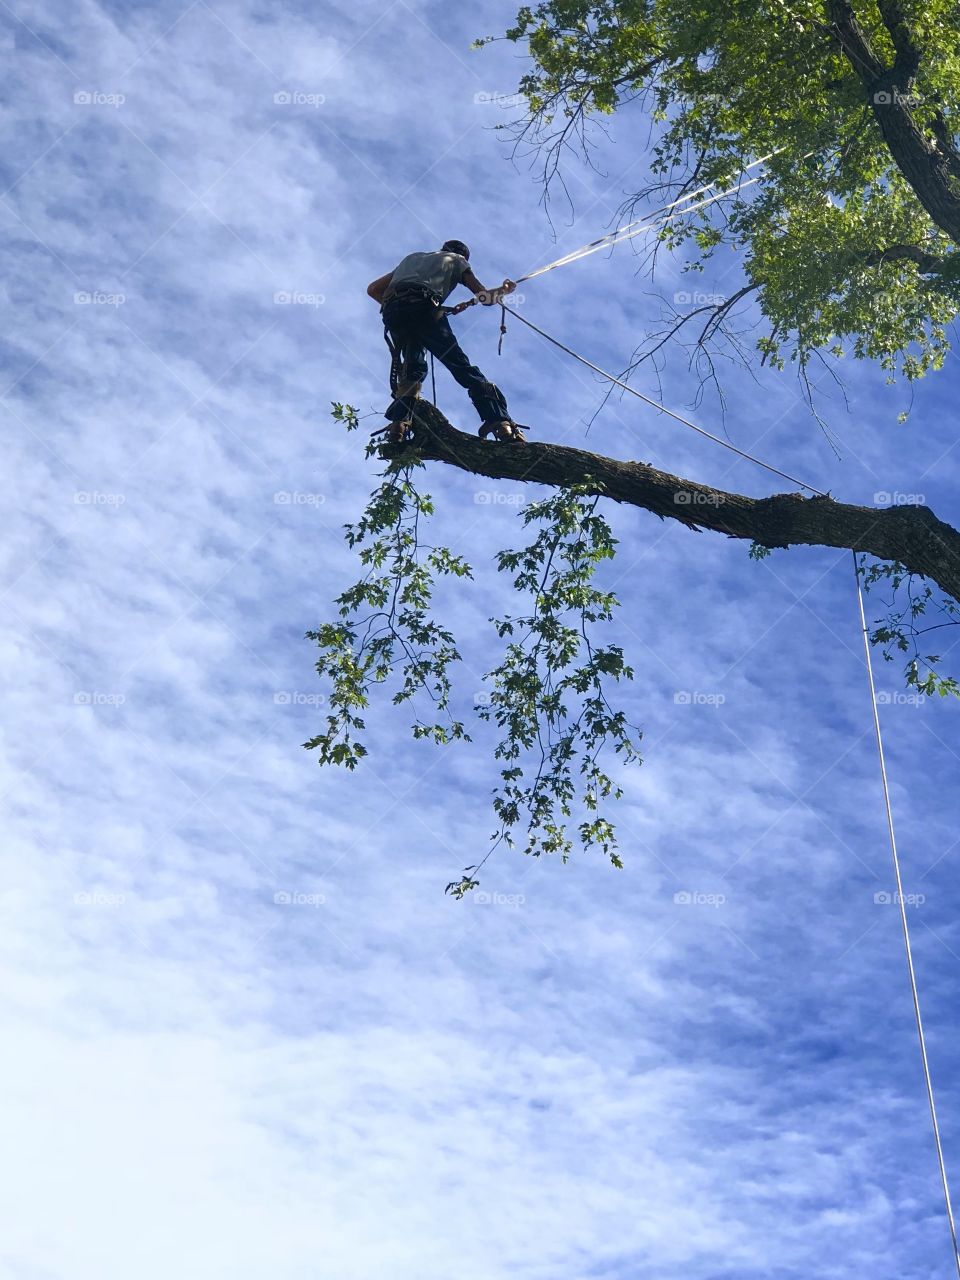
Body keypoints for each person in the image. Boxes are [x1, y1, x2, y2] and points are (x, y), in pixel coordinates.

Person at [367, 240, 525, 443]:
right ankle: (502, 424)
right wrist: (504, 290)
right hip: (424, 309)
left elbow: (373, 289)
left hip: (393, 312)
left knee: (412, 369)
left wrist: (403, 305)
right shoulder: (457, 260)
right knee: (460, 365)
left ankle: (399, 426)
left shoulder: (413, 258)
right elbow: (484, 297)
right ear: (464, 256)